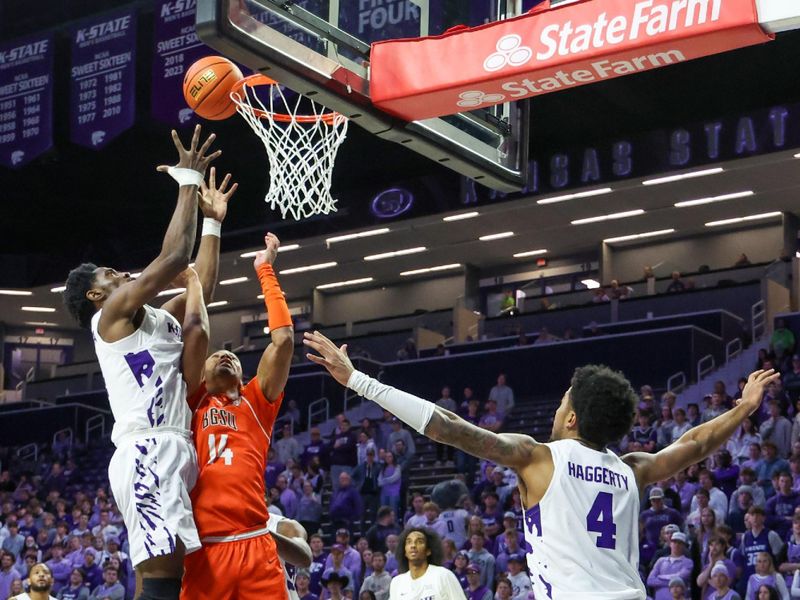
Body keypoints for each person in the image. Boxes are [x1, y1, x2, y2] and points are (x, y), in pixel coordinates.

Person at [303, 330, 781, 599]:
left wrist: (360, 381)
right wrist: (743, 408)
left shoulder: (538, 458)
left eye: (560, 403)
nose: (554, 409)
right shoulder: (633, 468)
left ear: (571, 418)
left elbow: (446, 426)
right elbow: (694, 446)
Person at [62, 126, 223, 600]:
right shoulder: (110, 318)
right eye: (111, 275)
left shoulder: (151, 318)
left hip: (171, 445)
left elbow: (202, 292)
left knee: (166, 581)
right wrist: (188, 181)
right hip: (147, 450)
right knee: (161, 582)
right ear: (96, 294)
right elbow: (174, 257)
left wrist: (211, 223)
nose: (122, 274)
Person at [180, 232, 294, 599]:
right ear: (203, 375)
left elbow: (284, 341)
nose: (225, 354)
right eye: (217, 355)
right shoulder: (193, 402)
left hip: (254, 543)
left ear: (246, 375)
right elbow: (195, 336)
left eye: (233, 356)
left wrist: (265, 270)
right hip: (205, 548)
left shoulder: (256, 403)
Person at [389, 528, 464, 600]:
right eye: (409, 542)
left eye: (419, 542)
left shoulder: (443, 575)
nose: (413, 546)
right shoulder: (397, 583)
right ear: (404, 551)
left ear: (428, 550)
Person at [647, 532, 693, 600]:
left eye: (679, 543)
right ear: (670, 544)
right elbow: (650, 581)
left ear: (684, 545)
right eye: (674, 542)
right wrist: (674, 583)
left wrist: (660, 577)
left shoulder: (688, 562)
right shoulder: (661, 561)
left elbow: (680, 577)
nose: (676, 545)